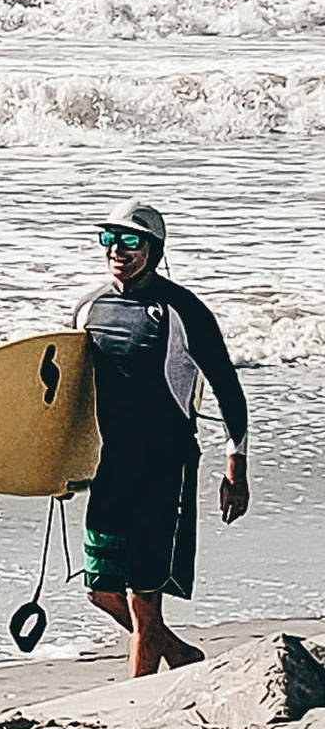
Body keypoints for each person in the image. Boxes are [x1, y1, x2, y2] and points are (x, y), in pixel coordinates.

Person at [72, 202, 249, 677]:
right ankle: (176, 651)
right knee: (100, 588)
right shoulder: (93, 307)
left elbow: (227, 388)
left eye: (131, 241)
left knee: (143, 595)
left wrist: (236, 464)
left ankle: (133, 700)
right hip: (112, 465)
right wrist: (59, 462)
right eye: (109, 238)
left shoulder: (181, 310)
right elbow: (71, 394)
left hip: (164, 464)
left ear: (154, 249)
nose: (118, 250)